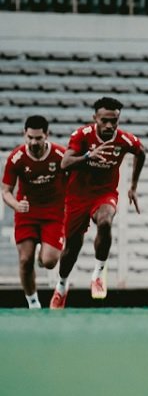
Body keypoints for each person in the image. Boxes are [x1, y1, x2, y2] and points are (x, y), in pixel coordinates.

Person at [53, 97, 145, 308]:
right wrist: (87, 156)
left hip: (104, 194)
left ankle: (98, 274)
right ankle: (61, 286)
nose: (109, 126)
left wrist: (133, 186)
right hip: (77, 197)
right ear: (95, 118)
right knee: (72, 248)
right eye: (105, 120)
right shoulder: (82, 136)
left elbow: (141, 153)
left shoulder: (124, 140)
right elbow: (64, 163)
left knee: (105, 221)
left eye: (114, 121)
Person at [2, 116, 67, 308]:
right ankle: (33, 303)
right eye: (30, 137)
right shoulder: (17, 158)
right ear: (24, 135)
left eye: (38, 138)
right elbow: (5, 191)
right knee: (24, 259)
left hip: (53, 213)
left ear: (46, 135)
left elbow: (75, 181)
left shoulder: (60, 155)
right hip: (27, 212)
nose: (33, 142)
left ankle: (44, 254)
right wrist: (15, 205)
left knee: (49, 262)